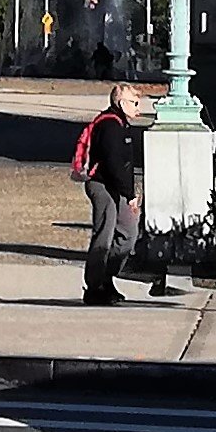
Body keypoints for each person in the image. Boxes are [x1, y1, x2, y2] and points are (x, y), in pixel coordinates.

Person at [74, 84, 146, 305]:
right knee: (104, 236)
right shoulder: (110, 125)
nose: (138, 108)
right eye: (134, 102)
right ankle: (94, 287)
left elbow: (125, 166)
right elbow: (114, 164)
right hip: (102, 185)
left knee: (128, 233)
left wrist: (129, 191)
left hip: (117, 187)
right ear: (121, 103)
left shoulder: (122, 124)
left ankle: (106, 277)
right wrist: (130, 194)